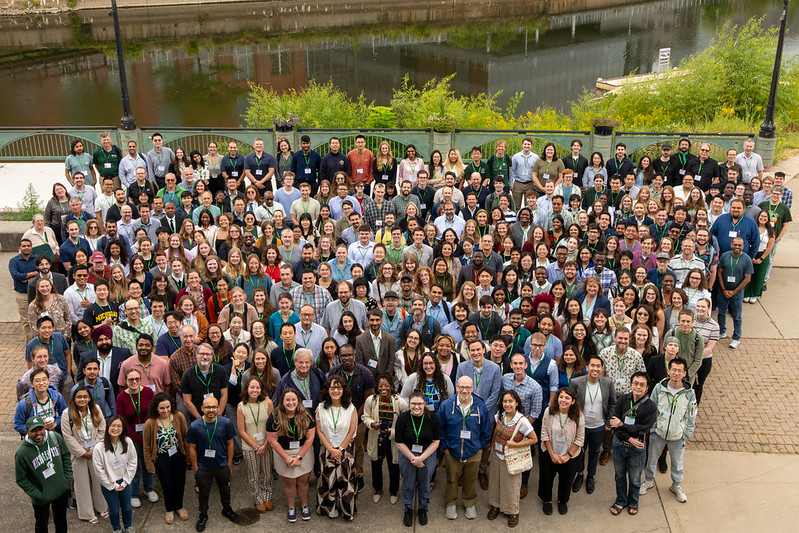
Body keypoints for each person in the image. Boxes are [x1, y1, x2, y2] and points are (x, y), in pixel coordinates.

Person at [640, 357, 698, 504]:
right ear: (668, 371)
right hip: (658, 433)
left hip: (677, 436)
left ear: (684, 373)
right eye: (674, 370)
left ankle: (676, 486)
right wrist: (653, 429)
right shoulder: (659, 388)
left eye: (680, 371)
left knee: (677, 463)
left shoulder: (689, 393)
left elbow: (691, 416)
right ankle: (648, 481)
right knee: (651, 459)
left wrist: (686, 434)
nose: (676, 373)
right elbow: (652, 409)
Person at [438, 375, 492, 521]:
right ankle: (451, 502)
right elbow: (440, 429)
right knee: (452, 479)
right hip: (452, 451)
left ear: (472, 389)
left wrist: (480, 446)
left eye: (467, 387)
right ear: (456, 387)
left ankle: (469, 502)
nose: (464, 390)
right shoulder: (447, 406)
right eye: (461, 387)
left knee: (470, 479)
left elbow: (486, 430)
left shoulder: (480, 406)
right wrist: (445, 448)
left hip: (474, 451)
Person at [186, 395, 240, 532]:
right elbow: (191, 448)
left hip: (221, 465)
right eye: (208, 407)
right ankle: (203, 515)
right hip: (203, 467)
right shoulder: (195, 426)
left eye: (214, 407)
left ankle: (227, 509)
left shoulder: (226, 423)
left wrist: (229, 465)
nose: (211, 410)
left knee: (225, 490)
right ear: (202, 408)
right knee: (203, 493)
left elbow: (230, 444)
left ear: (218, 408)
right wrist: (195, 468)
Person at [486, 390, 537, 528]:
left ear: (516, 403)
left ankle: (512, 511)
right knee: (495, 482)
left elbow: (534, 439)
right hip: (497, 455)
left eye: (510, 401)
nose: (507, 404)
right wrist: (491, 449)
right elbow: (496, 434)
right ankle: (495, 506)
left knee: (511, 486)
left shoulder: (522, 421)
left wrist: (516, 444)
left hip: (511, 458)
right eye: (505, 401)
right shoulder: (500, 415)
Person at [609, 371, 657, 516]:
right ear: (631, 384)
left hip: (638, 449)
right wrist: (629, 438)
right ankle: (621, 500)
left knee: (635, 479)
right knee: (619, 476)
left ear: (647, 388)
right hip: (619, 445)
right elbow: (613, 425)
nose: (638, 387)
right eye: (635, 383)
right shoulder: (623, 400)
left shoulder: (651, 407)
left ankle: (633, 501)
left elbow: (643, 429)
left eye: (642, 384)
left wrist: (621, 425)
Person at [15, 415, 73, 533]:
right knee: (41, 524)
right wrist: (38, 494)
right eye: (33, 431)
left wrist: (67, 478)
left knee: (61, 522)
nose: (38, 433)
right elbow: (21, 479)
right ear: (27, 432)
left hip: (60, 490)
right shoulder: (22, 453)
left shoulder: (55, 437)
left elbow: (66, 455)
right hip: (41, 497)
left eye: (40, 429)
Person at [266, 388, 316, 523]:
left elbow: (310, 438)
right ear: (282, 401)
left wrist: (299, 457)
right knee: (290, 484)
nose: (290, 402)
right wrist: (287, 458)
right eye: (287, 400)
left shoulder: (306, 414)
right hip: (283, 454)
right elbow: (272, 440)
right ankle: (291, 507)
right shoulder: (275, 416)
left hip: (303, 452)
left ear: (298, 401)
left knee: (303, 482)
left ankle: (304, 506)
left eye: (293, 399)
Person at [60, 385, 108, 524]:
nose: (82, 399)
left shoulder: (96, 409)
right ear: (74, 399)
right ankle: (87, 513)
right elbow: (67, 436)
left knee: (98, 480)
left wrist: (94, 449)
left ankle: (102, 507)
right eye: (79, 397)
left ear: (89, 398)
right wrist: (82, 452)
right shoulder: (66, 414)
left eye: (85, 396)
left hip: (95, 452)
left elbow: (102, 430)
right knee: (81, 484)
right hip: (78, 454)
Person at [569, 354, 615, 495]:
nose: (595, 369)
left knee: (595, 452)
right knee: (580, 451)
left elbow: (613, 403)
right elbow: (571, 403)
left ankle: (590, 476)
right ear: (587, 367)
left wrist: (608, 423)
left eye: (598, 366)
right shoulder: (576, 382)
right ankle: (580, 474)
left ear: (602, 369)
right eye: (593, 365)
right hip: (581, 426)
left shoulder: (607, 383)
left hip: (599, 426)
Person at [315, 375, 359, 520]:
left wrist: (340, 449)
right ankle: (330, 509)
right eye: (332, 387)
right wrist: (331, 449)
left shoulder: (351, 408)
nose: (335, 391)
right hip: (327, 451)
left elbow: (352, 430)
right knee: (328, 481)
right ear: (327, 390)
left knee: (345, 482)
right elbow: (320, 431)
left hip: (345, 451)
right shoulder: (321, 407)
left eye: (338, 388)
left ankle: (346, 510)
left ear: (344, 390)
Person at [142, 392, 190, 524]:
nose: (165, 410)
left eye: (168, 407)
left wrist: (188, 456)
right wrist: (149, 465)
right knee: (167, 483)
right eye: (162, 408)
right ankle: (169, 508)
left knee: (180, 482)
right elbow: (146, 446)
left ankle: (179, 506)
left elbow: (186, 436)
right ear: (156, 408)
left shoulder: (178, 416)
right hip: (162, 457)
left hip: (178, 455)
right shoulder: (150, 423)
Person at [395, 390, 440, 526]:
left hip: (427, 454)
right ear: (409, 404)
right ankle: (408, 509)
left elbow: (436, 441)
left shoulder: (432, 418)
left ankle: (422, 508)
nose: (416, 407)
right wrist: (413, 458)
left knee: (425, 484)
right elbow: (399, 442)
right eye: (413, 403)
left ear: (424, 404)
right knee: (408, 484)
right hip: (407, 454)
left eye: (420, 403)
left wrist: (421, 458)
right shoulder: (403, 418)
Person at [115, 366, 158, 508]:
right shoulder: (121, 397)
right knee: (133, 465)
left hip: (147, 433)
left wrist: (148, 435)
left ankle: (149, 488)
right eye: (131, 379)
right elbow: (122, 420)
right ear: (126, 381)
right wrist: (135, 438)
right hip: (130, 435)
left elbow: (153, 413)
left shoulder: (148, 392)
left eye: (137, 379)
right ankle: (134, 493)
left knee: (148, 461)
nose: (134, 381)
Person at [538, 387, 585, 516]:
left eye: (567, 398)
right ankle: (547, 500)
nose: (563, 400)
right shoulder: (549, 411)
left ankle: (562, 501)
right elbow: (544, 434)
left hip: (569, 455)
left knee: (566, 479)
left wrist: (568, 455)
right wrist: (552, 454)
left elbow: (580, 438)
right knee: (546, 478)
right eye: (561, 397)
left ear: (573, 401)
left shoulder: (578, 415)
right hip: (549, 452)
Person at [362, 375, 407, 504]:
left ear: (392, 387)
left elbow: (404, 424)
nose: (384, 388)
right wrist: (372, 424)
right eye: (381, 386)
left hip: (393, 439)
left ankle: (394, 491)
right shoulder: (372, 400)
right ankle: (378, 489)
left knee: (394, 465)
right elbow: (365, 416)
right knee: (376, 463)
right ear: (377, 387)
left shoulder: (400, 402)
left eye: (387, 385)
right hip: (377, 437)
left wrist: (391, 432)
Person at [92, 415, 137, 533]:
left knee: (127, 507)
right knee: (114, 509)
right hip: (109, 483)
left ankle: (128, 526)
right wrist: (112, 485)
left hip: (125, 481)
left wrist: (126, 481)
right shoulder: (99, 447)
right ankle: (116, 529)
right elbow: (99, 470)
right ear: (107, 427)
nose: (115, 428)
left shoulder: (128, 442)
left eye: (119, 426)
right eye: (113, 425)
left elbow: (133, 462)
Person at [237, 376, 275, 512]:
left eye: (257, 387)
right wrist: (256, 447)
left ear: (261, 389)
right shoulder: (241, 407)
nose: (254, 390)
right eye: (252, 387)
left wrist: (265, 445)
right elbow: (241, 431)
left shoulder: (268, 403)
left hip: (267, 444)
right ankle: (258, 498)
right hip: (250, 447)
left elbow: (272, 427)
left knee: (267, 473)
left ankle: (267, 495)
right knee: (254, 474)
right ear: (247, 389)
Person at [716, 237, 753, 349]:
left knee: (737, 316)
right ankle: (722, 331)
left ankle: (736, 338)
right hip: (723, 291)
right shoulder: (725, 256)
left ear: (743, 246)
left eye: (739, 245)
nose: (737, 247)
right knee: (721, 312)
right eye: (735, 245)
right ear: (731, 244)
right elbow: (719, 273)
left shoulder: (747, 259)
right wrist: (724, 289)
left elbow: (747, 279)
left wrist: (734, 292)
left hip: (737, 294)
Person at [14, 368, 68, 437]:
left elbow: (65, 415)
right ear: (32, 384)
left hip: (56, 437)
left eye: (44, 379)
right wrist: (37, 429)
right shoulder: (24, 404)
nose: (41, 383)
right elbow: (18, 425)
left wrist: (55, 424)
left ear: (48, 381)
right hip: (36, 440)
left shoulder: (58, 397)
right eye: (37, 381)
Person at [10, 238, 39, 341]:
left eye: (28, 246)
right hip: (22, 295)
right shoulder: (14, 261)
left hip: (37, 294)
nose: (26, 248)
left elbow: (41, 273)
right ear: (19, 248)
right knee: (26, 321)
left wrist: (25, 278)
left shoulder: (37, 259)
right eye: (24, 246)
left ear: (31, 247)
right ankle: (30, 344)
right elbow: (15, 276)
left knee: (38, 318)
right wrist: (31, 275)